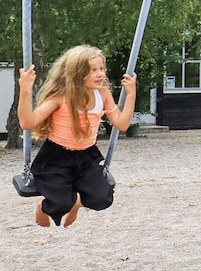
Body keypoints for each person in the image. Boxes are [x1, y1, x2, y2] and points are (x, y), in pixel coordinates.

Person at [18, 45, 137, 227]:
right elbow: (28, 123)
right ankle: (42, 205)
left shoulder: (102, 94)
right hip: (56, 157)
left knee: (102, 198)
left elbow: (122, 124)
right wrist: (25, 91)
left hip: (87, 156)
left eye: (102, 69)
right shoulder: (60, 97)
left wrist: (131, 94)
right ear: (77, 73)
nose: (100, 74)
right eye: (93, 70)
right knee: (60, 203)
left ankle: (77, 202)